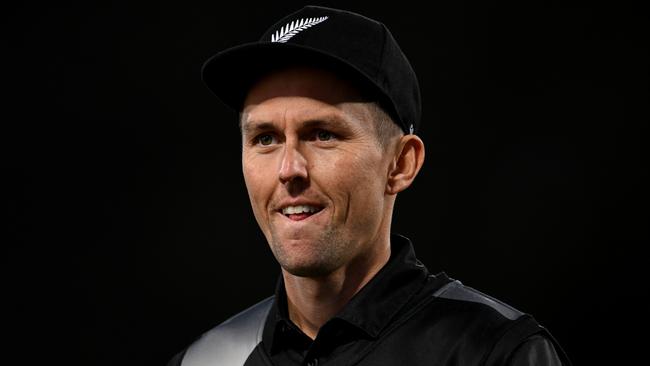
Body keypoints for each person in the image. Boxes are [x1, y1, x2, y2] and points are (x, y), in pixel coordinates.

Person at [168, 5, 571, 366]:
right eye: (265, 139)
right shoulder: (207, 360)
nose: (289, 169)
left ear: (400, 163)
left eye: (323, 134)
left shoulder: (493, 353)